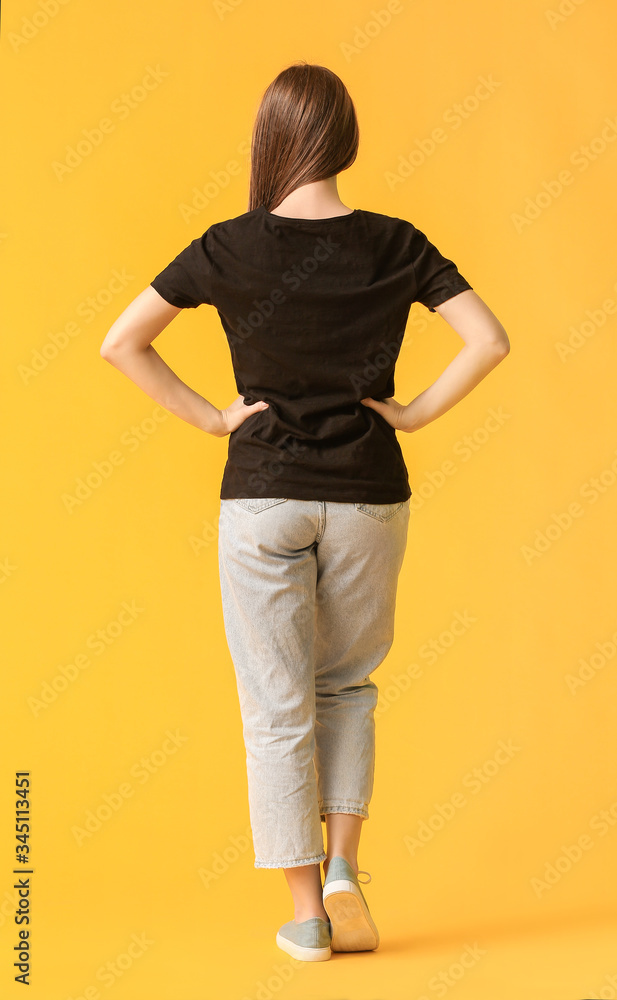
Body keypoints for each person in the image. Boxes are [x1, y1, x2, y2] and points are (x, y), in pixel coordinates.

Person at [100, 61, 510, 963]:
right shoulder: (395, 242)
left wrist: (213, 418)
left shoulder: (227, 245)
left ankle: (305, 917)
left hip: (262, 498)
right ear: (346, 137)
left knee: (276, 704)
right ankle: (342, 870)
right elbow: (489, 339)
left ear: (271, 139)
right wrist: (410, 413)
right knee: (347, 685)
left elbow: (119, 342)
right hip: (369, 496)